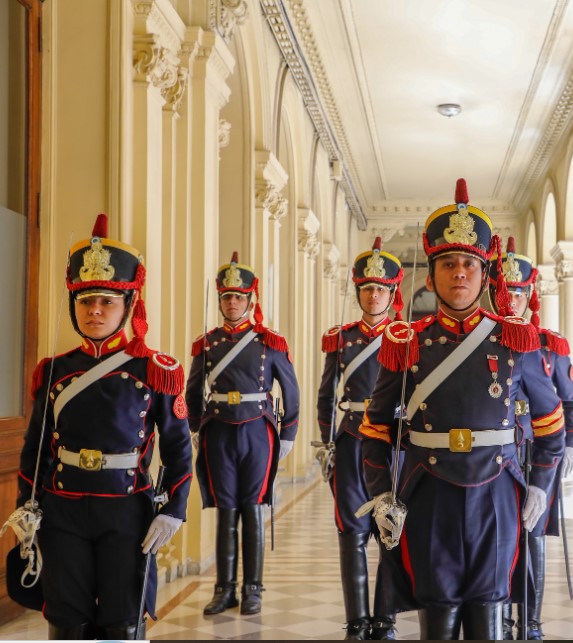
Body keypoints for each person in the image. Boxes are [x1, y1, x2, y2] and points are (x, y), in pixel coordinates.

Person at [359, 179, 565, 640]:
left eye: (469, 263)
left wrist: (540, 487)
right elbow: (374, 427)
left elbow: (551, 424)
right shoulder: (406, 341)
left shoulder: (515, 339)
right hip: (428, 492)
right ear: (431, 276)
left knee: (489, 612)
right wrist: (380, 493)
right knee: (438, 609)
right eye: (448, 263)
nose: (459, 273)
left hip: (498, 494)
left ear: (484, 272)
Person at [12, 214, 192, 640]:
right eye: (85, 301)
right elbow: (35, 448)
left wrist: (174, 510)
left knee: (122, 621)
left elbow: (179, 448)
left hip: (126, 510)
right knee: (66, 619)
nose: (95, 311)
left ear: (128, 306)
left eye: (107, 301)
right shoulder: (54, 371)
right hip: (62, 510)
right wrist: (26, 503)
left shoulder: (156, 369)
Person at [186, 252, 300, 616]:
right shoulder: (206, 343)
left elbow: (291, 391)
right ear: (220, 300)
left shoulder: (270, 342)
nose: (232, 302)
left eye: (238, 296)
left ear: (251, 300)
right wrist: (193, 428)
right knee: (225, 510)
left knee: (252, 509)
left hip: (257, 432)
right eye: (226, 296)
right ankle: (224, 590)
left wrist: (288, 435)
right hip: (218, 431)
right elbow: (191, 391)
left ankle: (253, 588)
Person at [487, 237, 573, 640]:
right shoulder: (484, 341)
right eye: (505, 292)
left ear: (531, 294)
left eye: (519, 292)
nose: (512, 300)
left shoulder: (550, 345)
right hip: (498, 455)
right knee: (498, 536)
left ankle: (529, 619)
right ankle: (496, 617)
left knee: (533, 534)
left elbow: (572, 401)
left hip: (539, 451)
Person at [316, 237, 408, 639]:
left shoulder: (406, 336)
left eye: (381, 289)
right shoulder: (341, 338)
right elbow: (325, 394)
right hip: (351, 438)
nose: (374, 295)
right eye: (367, 288)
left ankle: (385, 618)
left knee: (390, 529)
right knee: (350, 531)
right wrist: (325, 443)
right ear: (358, 293)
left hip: (391, 442)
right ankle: (357, 620)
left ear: (392, 294)